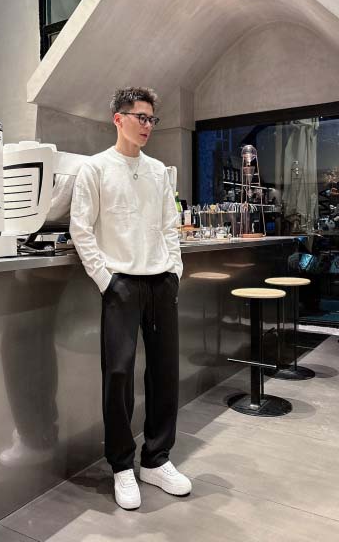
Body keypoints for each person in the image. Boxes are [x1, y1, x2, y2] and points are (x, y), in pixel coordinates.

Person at [70, 87, 191, 510]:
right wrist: (106, 280)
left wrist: (174, 271)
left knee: (165, 373)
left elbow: (169, 226)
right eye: (141, 117)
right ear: (118, 119)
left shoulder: (158, 171)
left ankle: (156, 459)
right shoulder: (95, 168)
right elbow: (81, 228)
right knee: (118, 376)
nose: (148, 125)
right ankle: (122, 465)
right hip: (121, 283)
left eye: (152, 119)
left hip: (161, 282)